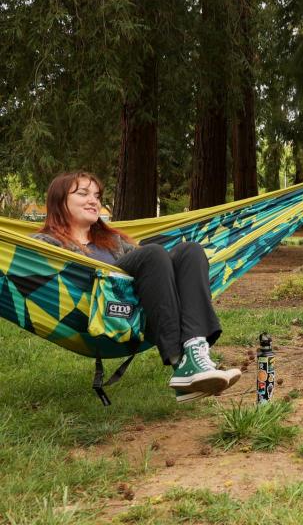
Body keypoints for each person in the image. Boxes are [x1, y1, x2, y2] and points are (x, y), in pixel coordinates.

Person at [33, 171, 240, 403]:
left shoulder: (114, 242)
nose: (94, 201)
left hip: (145, 313)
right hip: (100, 315)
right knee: (152, 253)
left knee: (190, 251)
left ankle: (194, 351)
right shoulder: (46, 244)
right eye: (83, 194)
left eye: (97, 195)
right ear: (59, 201)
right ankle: (181, 363)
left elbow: (157, 271)